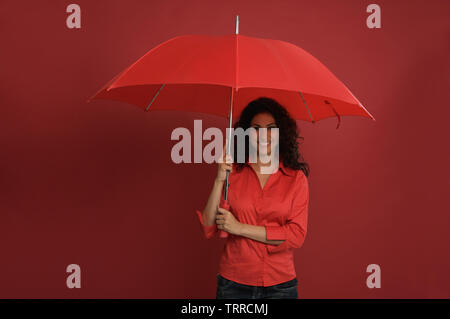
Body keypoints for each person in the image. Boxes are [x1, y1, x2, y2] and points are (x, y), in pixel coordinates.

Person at [195, 97, 310, 299]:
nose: (263, 135)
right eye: (256, 128)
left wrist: (239, 228)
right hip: (234, 284)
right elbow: (208, 225)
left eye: (271, 128)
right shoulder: (233, 174)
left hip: (280, 285)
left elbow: (295, 235)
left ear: (280, 133)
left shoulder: (296, 179)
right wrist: (219, 180)